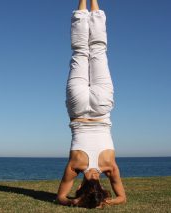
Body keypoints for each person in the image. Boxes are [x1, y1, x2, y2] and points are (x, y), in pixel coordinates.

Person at [56, 0, 126, 209]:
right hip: (78, 109)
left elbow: (122, 198)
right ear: (79, 189)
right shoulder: (74, 167)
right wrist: (75, 202)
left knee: (98, 50)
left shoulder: (110, 167)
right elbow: (60, 197)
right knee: (80, 51)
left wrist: (105, 200)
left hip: (102, 109)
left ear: (101, 189)